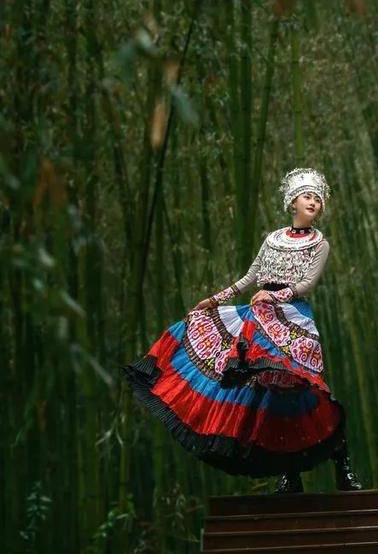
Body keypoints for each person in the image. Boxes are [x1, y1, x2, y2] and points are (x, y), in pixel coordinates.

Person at [122, 167, 363, 493]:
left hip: (294, 321)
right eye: (308, 196)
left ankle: (343, 468)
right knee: (267, 397)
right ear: (293, 201)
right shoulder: (272, 239)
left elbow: (307, 284)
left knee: (307, 390)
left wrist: (275, 294)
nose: (314, 202)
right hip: (258, 315)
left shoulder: (321, 244)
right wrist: (214, 298)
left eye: (318, 199)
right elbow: (249, 279)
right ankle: (289, 474)